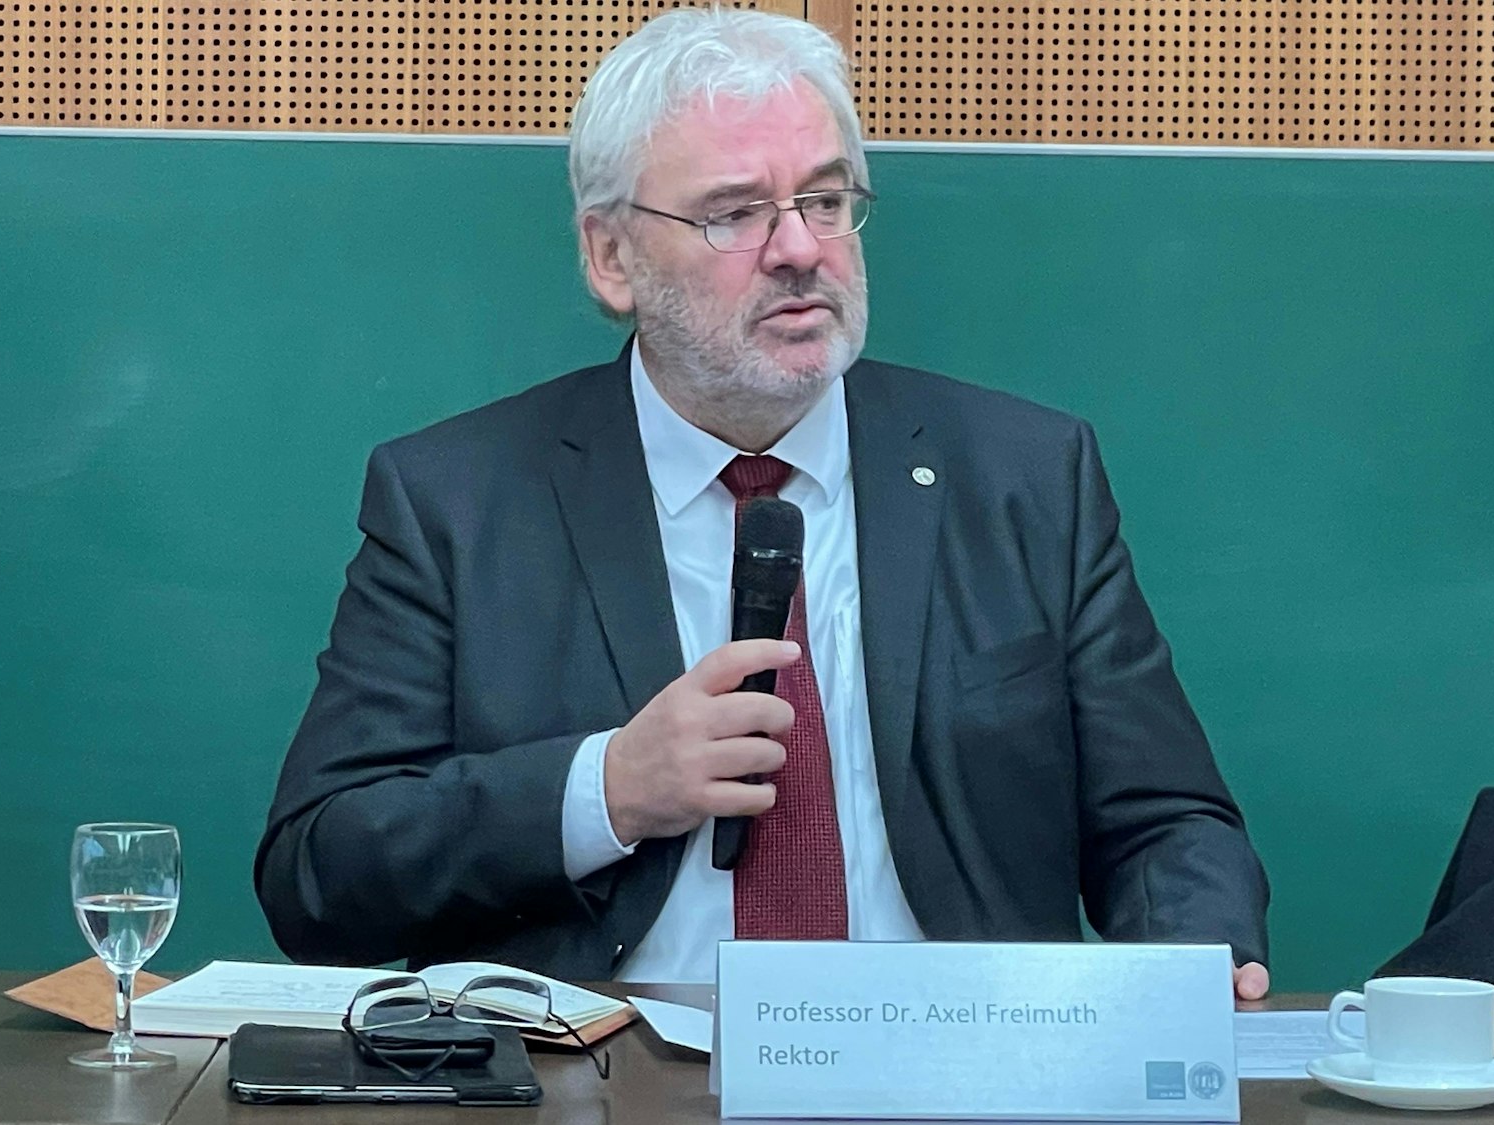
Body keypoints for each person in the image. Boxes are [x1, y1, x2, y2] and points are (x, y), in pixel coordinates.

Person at [256, 7, 1271, 999]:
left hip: (958, 1060)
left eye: (824, 201)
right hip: (605, 1073)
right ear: (611, 256)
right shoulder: (457, 502)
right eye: (735, 212)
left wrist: (1191, 958)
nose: (798, 249)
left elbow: (1162, 822)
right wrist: (603, 791)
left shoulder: (1022, 475)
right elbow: (320, 873)